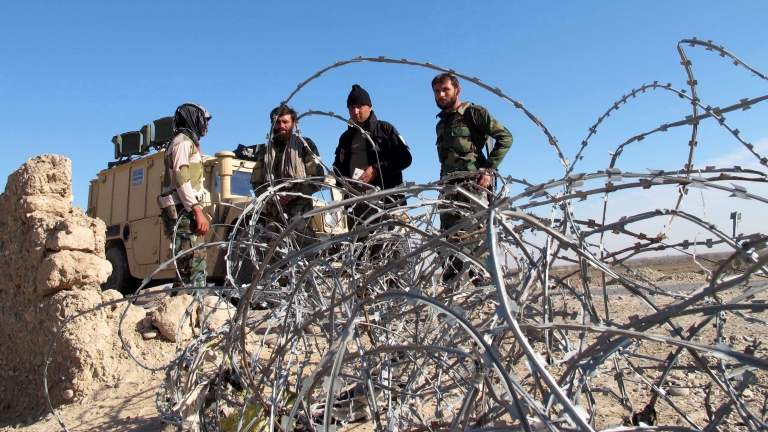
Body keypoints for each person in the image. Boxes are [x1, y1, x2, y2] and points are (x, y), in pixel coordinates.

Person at [432, 73, 513, 281]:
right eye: (437, 91)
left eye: (445, 90)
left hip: (472, 188)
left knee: (476, 240)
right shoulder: (441, 123)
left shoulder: (474, 113)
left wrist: (488, 169)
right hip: (448, 190)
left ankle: (484, 290)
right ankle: (452, 295)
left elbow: (505, 137)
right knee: (449, 241)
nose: (441, 95)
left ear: (457, 91)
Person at [333, 84, 412, 224]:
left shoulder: (385, 129)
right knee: (359, 245)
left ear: (369, 107)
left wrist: (376, 169)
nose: (356, 111)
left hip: (385, 201)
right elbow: (337, 168)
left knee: (388, 243)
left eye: (359, 106)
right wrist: (345, 181)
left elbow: (405, 158)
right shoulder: (345, 138)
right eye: (352, 108)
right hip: (356, 205)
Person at [250, 105, 323, 244]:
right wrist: (271, 196)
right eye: (277, 122)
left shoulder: (304, 146)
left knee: (304, 258)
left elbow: (318, 178)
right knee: (275, 261)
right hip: (273, 220)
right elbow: (256, 183)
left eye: (285, 122)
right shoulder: (266, 151)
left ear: (293, 124)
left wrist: (294, 193)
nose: (281, 126)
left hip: (299, 218)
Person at [159, 102, 212, 290]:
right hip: (184, 211)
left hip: (184, 209)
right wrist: (196, 210)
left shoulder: (188, 142)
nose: (206, 126)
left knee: (187, 265)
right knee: (193, 265)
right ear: (192, 120)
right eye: (203, 121)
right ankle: (191, 308)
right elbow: (182, 179)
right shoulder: (183, 142)